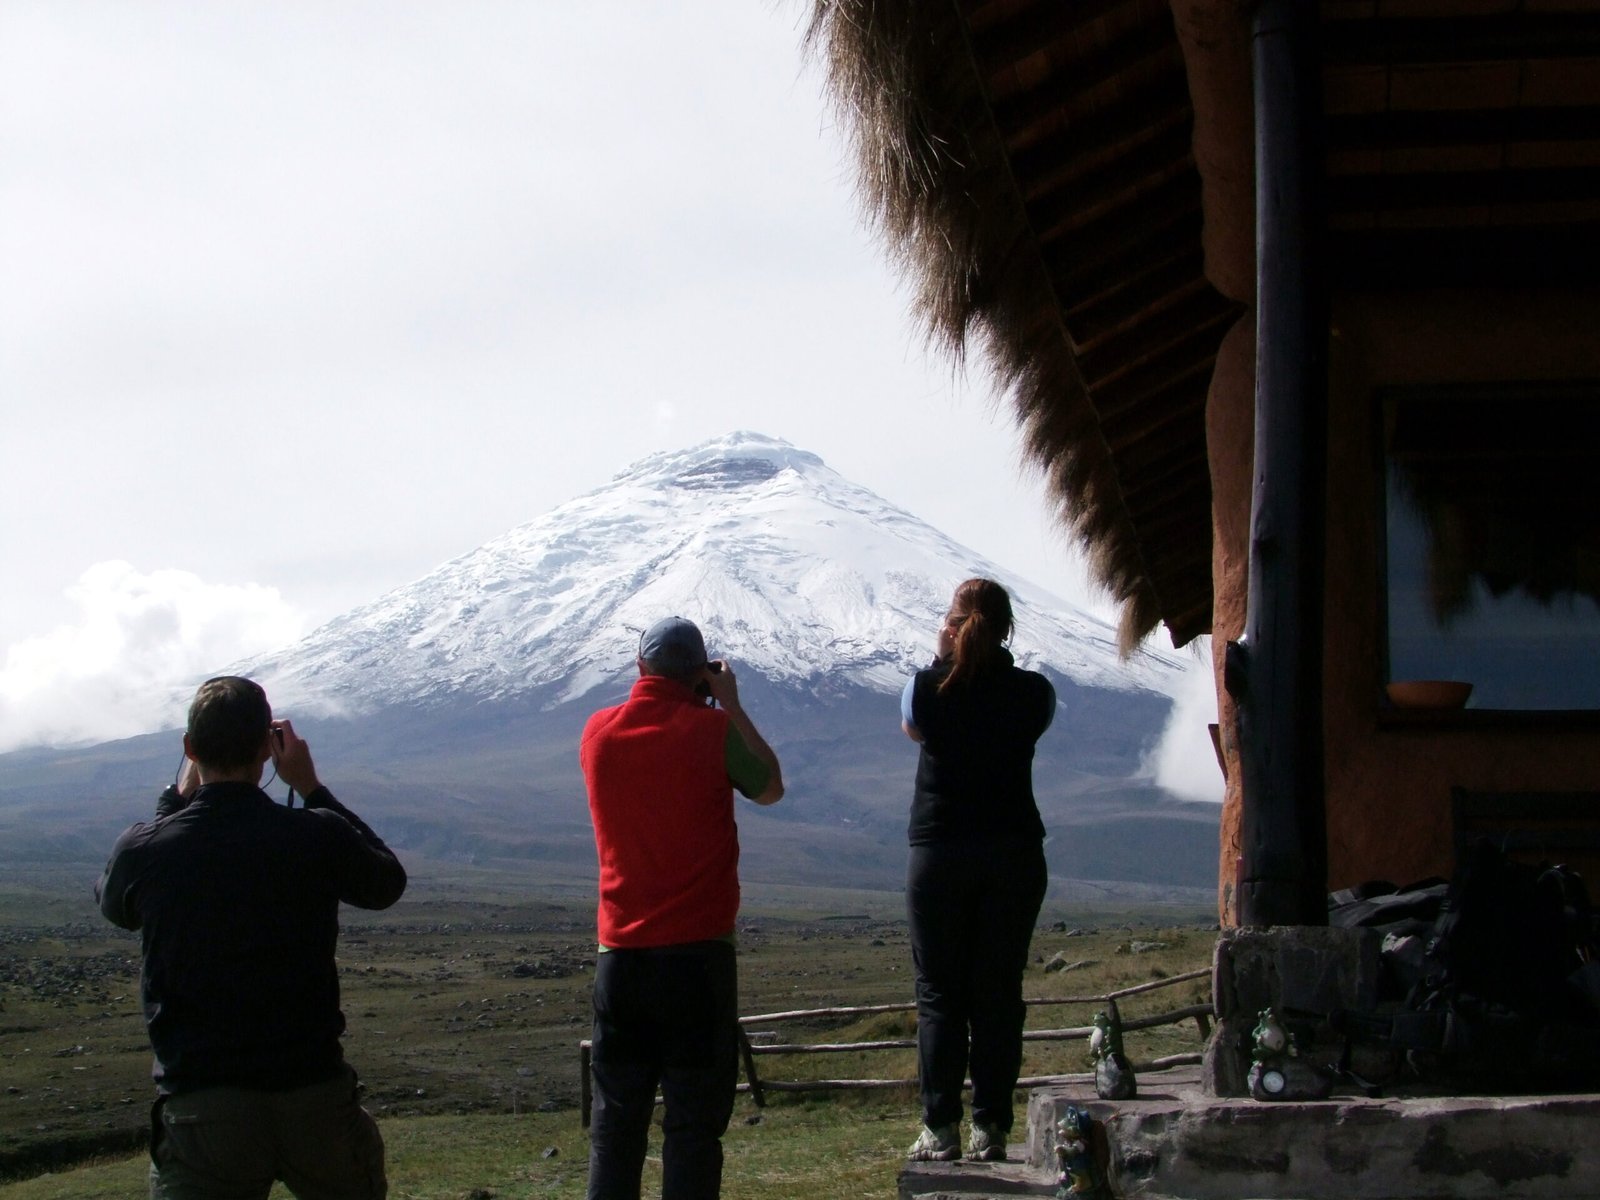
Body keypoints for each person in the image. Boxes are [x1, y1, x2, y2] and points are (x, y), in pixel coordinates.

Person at [95, 675, 408, 1200]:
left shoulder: (146, 850)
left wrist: (175, 800)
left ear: (190, 749)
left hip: (203, 1107)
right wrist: (312, 790)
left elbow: (116, 905)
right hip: (313, 1095)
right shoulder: (316, 836)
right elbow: (386, 882)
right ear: (269, 748)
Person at [580, 616, 784, 1200]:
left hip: (619, 958)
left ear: (640, 668)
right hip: (698, 960)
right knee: (693, 1130)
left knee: (615, 1127)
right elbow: (769, 785)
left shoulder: (597, 734)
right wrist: (731, 705)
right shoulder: (711, 733)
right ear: (702, 672)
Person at [899, 578, 1056, 1163]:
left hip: (939, 854)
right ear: (1008, 627)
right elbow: (1026, 726)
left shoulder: (925, 689)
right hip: (1014, 853)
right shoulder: (1035, 693)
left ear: (953, 625)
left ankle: (939, 1127)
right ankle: (991, 1126)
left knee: (940, 994)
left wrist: (942, 659)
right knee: (998, 992)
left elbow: (914, 726)